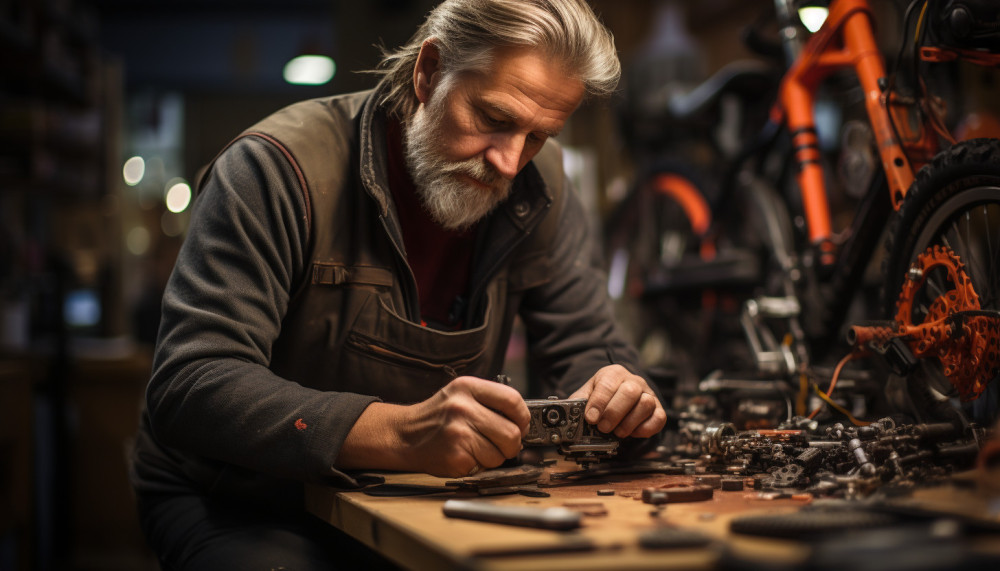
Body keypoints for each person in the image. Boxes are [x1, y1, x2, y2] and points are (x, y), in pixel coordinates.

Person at [130, 0, 668, 568]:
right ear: (429, 72)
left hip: (415, 493)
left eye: (538, 136)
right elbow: (193, 384)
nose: (511, 163)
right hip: (242, 498)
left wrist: (615, 395)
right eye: (493, 118)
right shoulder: (275, 170)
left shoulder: (542, 186)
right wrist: (406, 433)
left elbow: (587, 345)